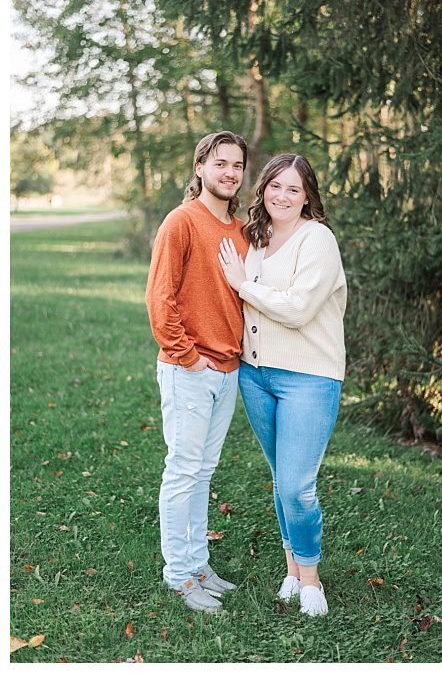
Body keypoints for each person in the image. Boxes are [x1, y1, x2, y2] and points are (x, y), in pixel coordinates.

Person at [218, 153, 346, 617]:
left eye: (294, 189)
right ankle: (291, 568)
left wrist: (242, 285)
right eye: (275, 186)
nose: (282, 196)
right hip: (256, 375)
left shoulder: (318, 241)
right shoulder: (255, 237)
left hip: (309, 377)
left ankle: (311, 579)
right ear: (263, 189)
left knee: (297, 486)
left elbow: (297, 309)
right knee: (280, 478)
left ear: (307, 194)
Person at [146, 131, 249, 612]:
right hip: (190, 369)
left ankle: (198, 563)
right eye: (221, 163)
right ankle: (178, 574)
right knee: (183, 471)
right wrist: (187, 355)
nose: (230, 172)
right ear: (200, 168)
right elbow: (160, 298)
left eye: (237, 165)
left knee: (203, 472)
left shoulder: (240, 229)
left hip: (228, 370)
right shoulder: (182, 222)